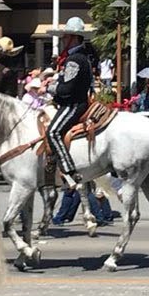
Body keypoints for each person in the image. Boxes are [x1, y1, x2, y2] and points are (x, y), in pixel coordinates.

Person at [46, 17, 96, 188]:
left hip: (73, 104)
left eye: (65, 37)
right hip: (75, 101)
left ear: (74, 38)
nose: (63, 40)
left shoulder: (75, 59)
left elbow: (67, 89)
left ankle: (68, 169)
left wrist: (49, 88)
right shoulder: (80, 56)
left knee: (52, 132)